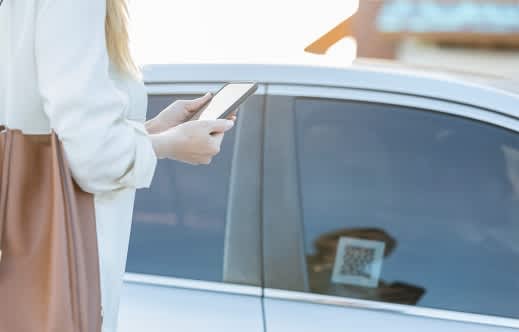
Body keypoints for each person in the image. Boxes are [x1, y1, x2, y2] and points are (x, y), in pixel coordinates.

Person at [0, 0, 234, 331]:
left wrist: (150, 132)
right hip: (67, 264)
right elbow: (96, 158)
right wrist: (170, 144)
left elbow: (68, 137)